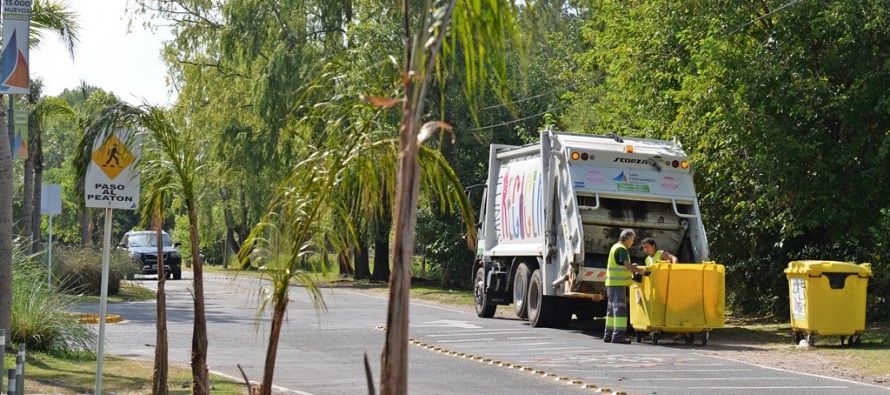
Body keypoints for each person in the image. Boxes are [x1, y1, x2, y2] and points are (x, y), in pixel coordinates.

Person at [604, 229, 647, 344]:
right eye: (632, 240)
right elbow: (626, 265)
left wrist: (632, 267)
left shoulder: (615, 247)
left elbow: (621, 265)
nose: (632, 243)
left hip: (611, 284)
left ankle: (608, 335)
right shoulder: (622, 249)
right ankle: (618, 336)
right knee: (620, 310)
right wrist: (640, 271)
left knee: (611, 310)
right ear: (627, 239)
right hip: (618, 284)